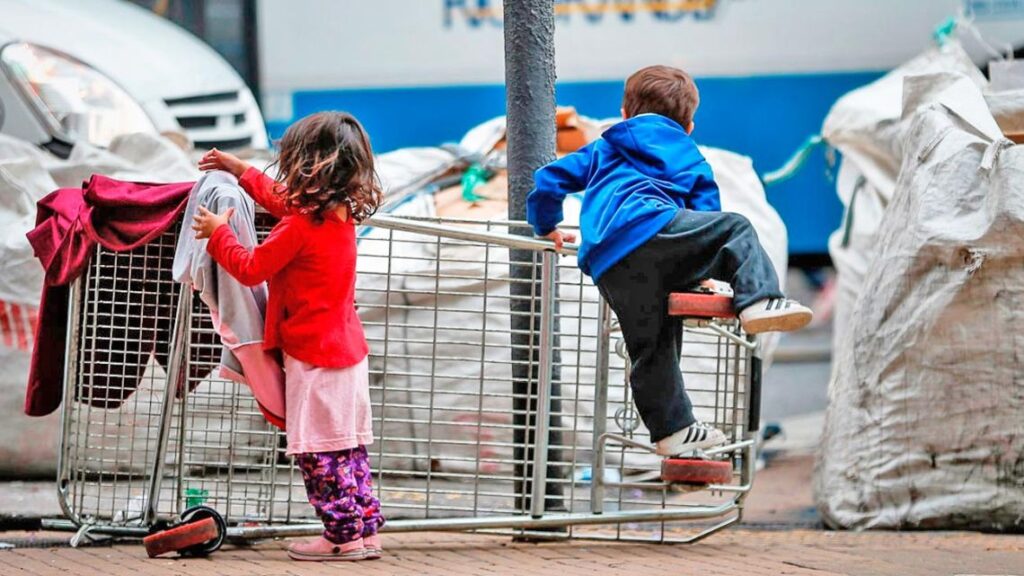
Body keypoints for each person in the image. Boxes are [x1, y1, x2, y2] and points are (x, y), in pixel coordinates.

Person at [526, 65, 812, 457]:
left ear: (624, 114)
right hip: (652, 229)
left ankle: (673, 430)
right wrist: (709, 274)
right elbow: (707, 215)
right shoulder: (687, 152)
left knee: (651, 349)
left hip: (610, 263)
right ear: (689, 126)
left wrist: (546, 226)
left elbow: (548, 180)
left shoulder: (604, 147)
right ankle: (759, 299)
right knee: (736, 228)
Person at [192, 111, 384, 562]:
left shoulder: (299, 227)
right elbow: (283, 201)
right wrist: (242, 171)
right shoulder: (338, 217)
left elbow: (250, 268)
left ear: (305, 167)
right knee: (350, 449)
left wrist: (219, 234)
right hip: (347, 352)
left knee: (318, 452)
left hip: (315, 359)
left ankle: (341, 538)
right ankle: (364, 529)